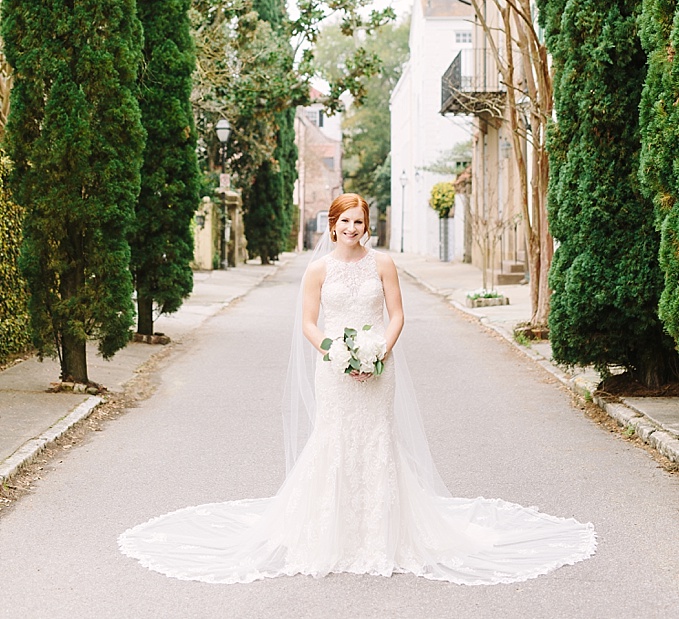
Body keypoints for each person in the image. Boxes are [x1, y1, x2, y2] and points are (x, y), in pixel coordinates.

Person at [119, 193, 596, 584]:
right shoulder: (318, 271)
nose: (352, 228)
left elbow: (397, 315)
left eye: (359, 221)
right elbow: (308, 323)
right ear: (331, 225)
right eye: (345, 221)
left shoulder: (382, 264)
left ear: (367, 226)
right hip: (332, 370)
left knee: (376, 441)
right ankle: (329, 533)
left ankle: (380, 534)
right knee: (334, 440)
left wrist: (379, 353)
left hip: (378, 368)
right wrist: (335, 353)